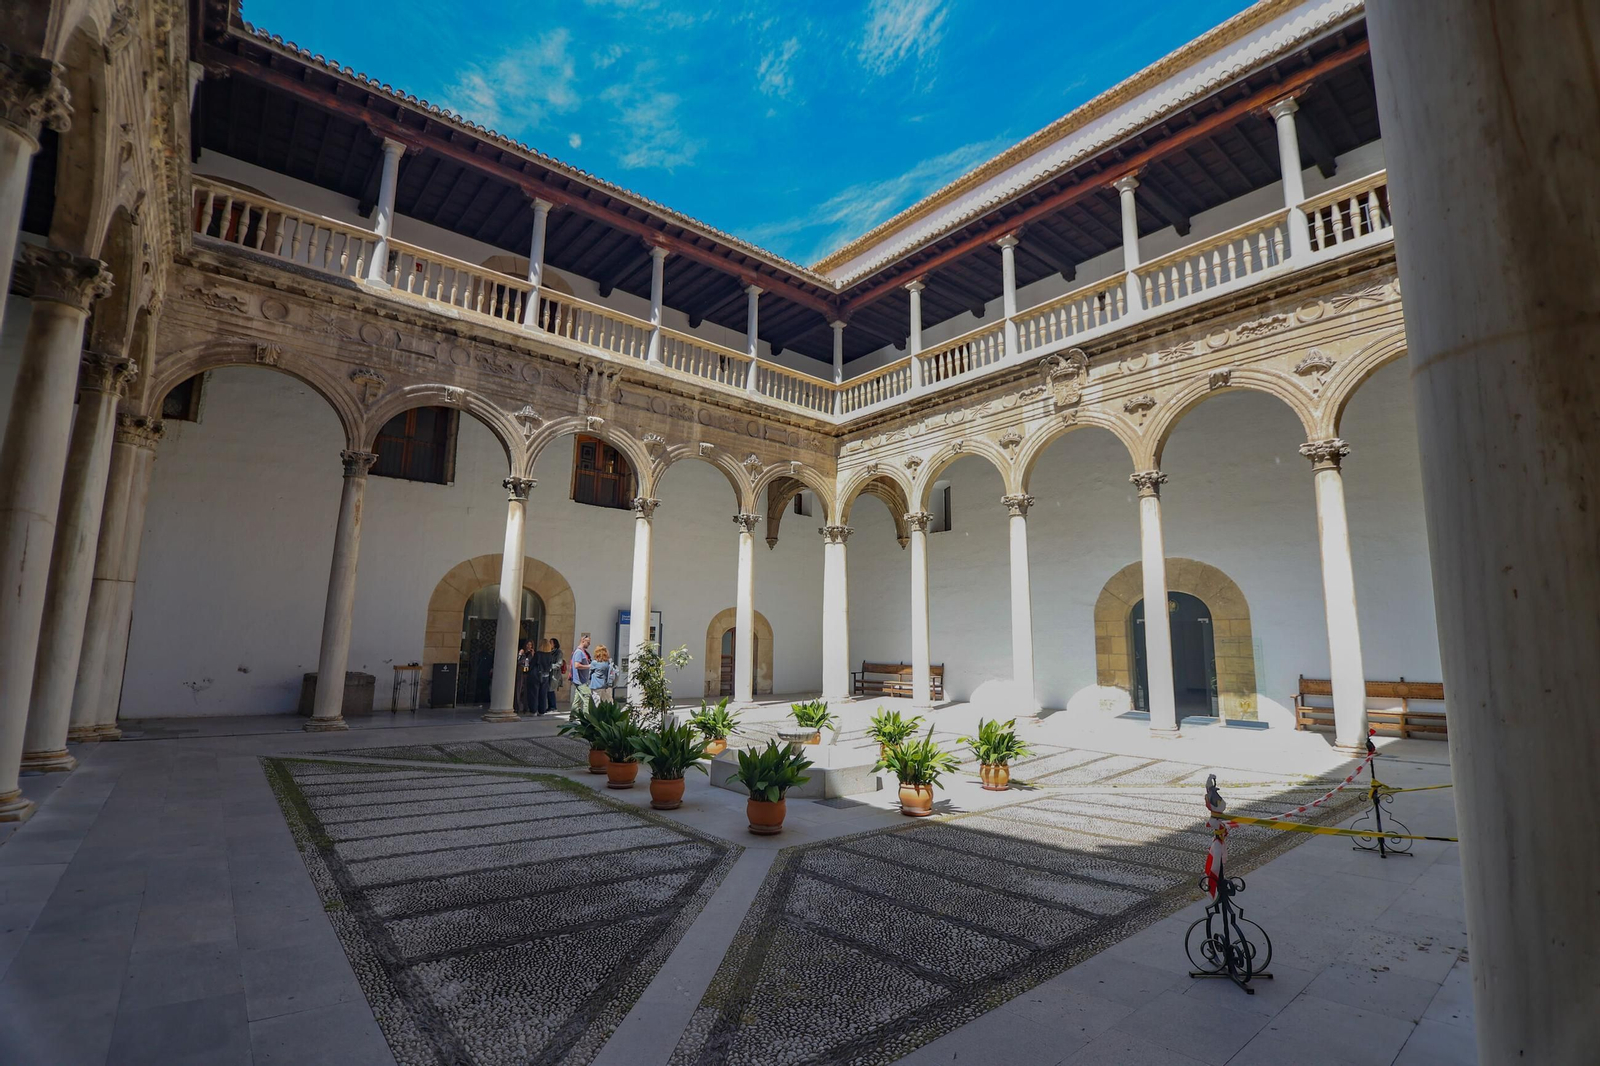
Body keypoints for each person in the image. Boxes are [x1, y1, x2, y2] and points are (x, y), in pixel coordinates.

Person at [570, 635, 594, 716]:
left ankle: (572, 718)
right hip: (581, 681)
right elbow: (577, 665)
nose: (589, 644)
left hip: (581, 680)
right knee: (587, 697)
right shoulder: (579, 652)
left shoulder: (581, 652)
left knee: (577, 700)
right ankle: (587, 718)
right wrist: (589, 666)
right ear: (583, 641)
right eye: (588, 642)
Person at [515, 638, 536, 716]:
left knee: (527, 691)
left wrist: (533, 655)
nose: (529, 646)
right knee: (518, 689)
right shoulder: (522, 652)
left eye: (530, 645)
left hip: (528, 673)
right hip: (520, 672)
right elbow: (516, 661)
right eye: (528, 644)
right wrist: (520, 655)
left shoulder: (532, 653)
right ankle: (516, 706)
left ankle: (525, 707)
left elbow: (534, 663)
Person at [545, 637, 565, 715]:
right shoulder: (549, 652)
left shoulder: (558, 653)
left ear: (555, 644)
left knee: (551, 689)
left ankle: (553, 707)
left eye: (551, 642)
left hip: (554, 675)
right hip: (549, 674)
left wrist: (549, 666)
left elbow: (559, 664)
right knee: (548, 690)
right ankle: (550, 706)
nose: (549, 644)